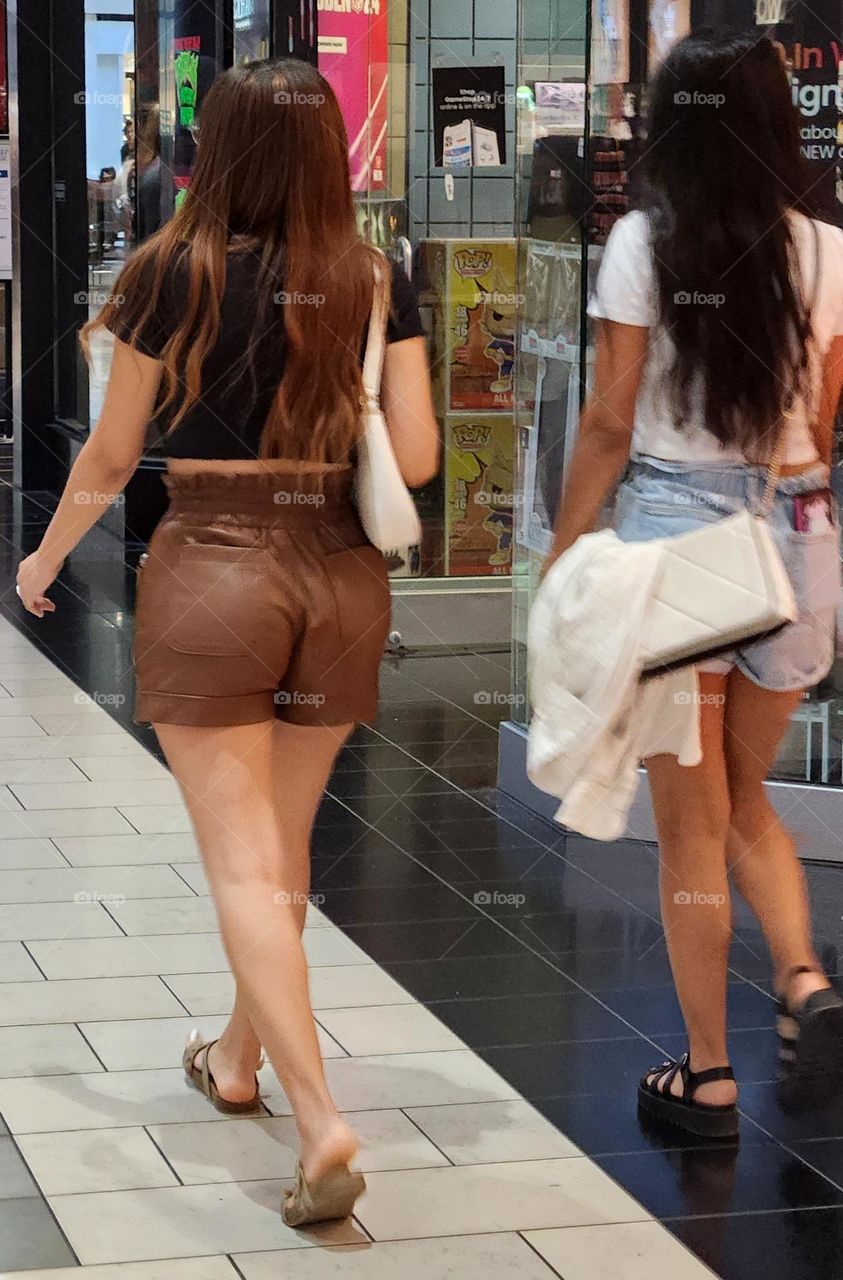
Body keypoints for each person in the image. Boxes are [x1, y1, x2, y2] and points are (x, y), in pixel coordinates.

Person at [16, 58, 438, 1221]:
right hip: (343, 572)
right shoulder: (372, 275)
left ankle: (318, 1122)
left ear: (220, 148)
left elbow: (109, 456)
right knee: (283, 850)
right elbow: (415, 459)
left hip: (216, 565)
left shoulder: (170, 270)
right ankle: (239, 1061)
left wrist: (43, 561)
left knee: (245, 862)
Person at [545, 32, 843, 1138]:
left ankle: (709, 1073)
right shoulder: (828, 251)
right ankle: (803, 979)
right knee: (744, 795)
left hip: (680, 543)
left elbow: (606, 420)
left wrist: (560, 549)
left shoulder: (641, 242)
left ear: (669, 126)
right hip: (798, 533)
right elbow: (816, 429)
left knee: (689, 825)